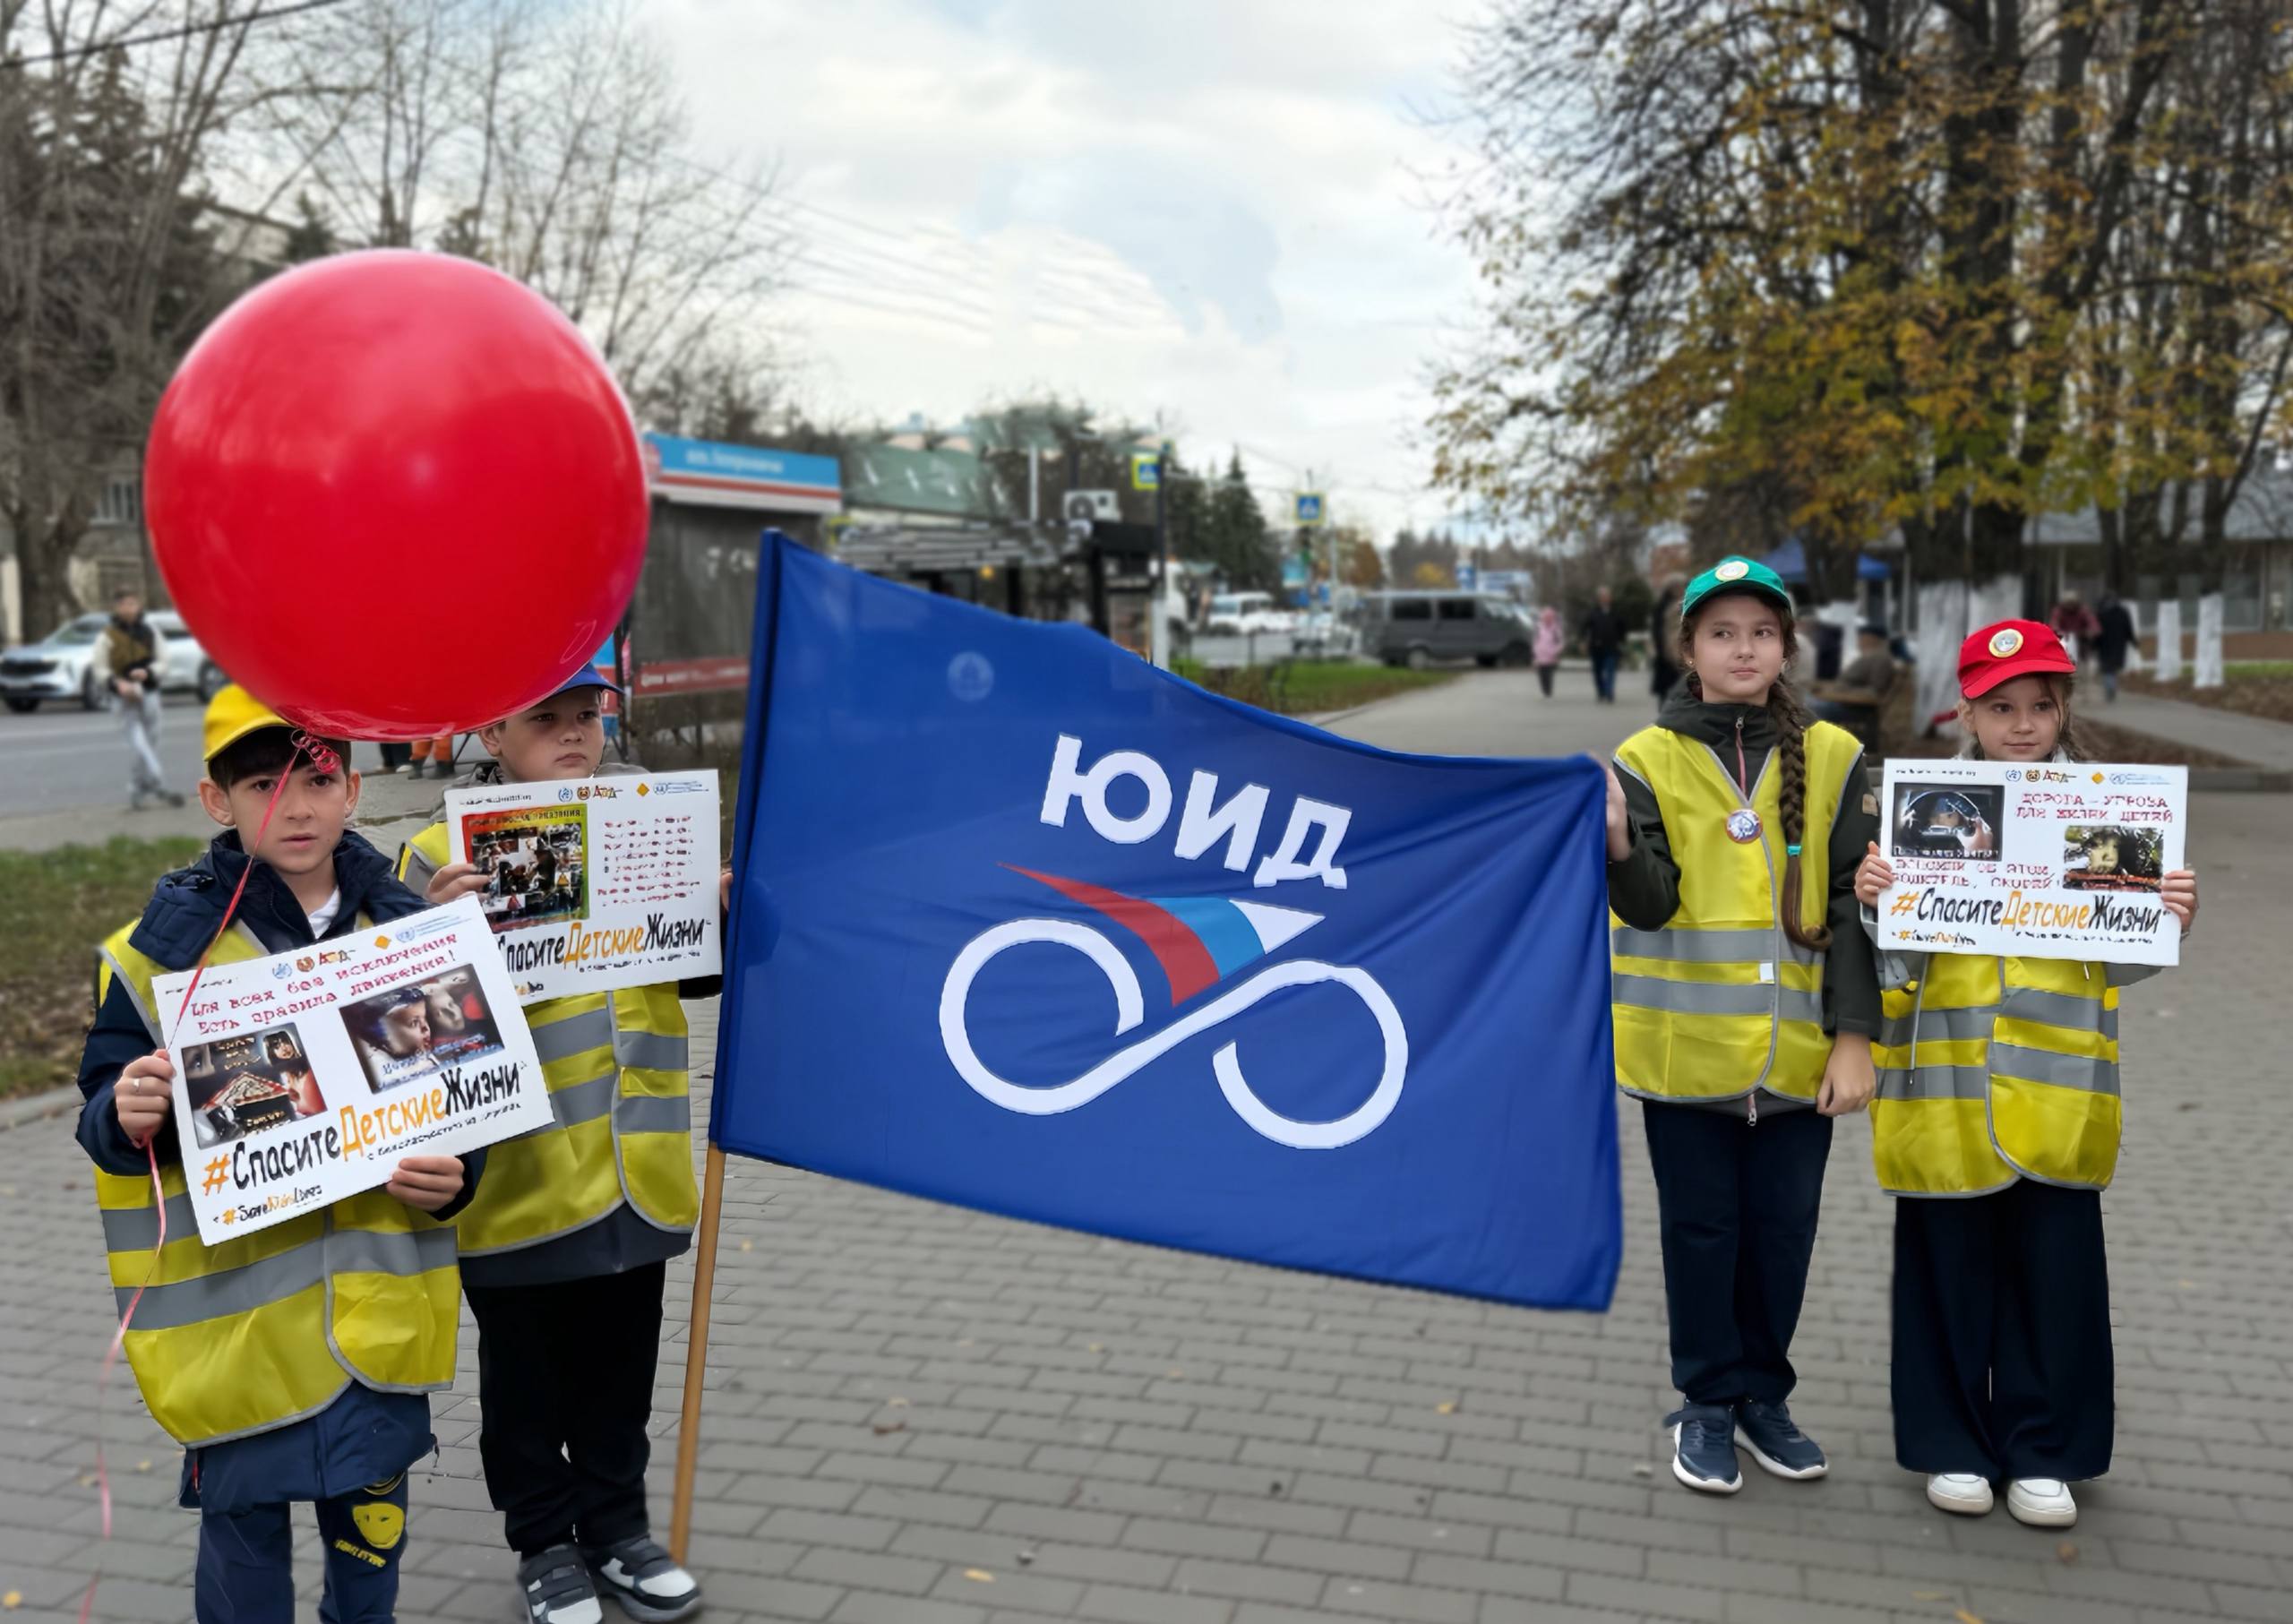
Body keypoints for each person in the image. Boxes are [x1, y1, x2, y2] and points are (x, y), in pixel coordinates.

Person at [73, 684, 484, 1624]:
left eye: (318, 774)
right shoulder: (156, 957)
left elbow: (466, 1110)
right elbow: (103, 1111)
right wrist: (122, 1109)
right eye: (264, 782)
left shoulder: (410, 935)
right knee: (244, 1559)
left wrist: (460, 1180)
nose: (295, 804)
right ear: (219, 801)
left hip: (376, 1335)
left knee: (371, 1549)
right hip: (237, 1348)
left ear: (354, 790)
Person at [1853, 620, 2196, 1530]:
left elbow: (2115, 962)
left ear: (2061, 710)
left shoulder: (2104, 813)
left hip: (2055, 1101)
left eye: (2038, 705)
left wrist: (2166, 917)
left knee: (2055, 1277)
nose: (2020, 723)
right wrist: (1876, 903)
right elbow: (1894, 968)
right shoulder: (1924, 812)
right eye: (1999, 706)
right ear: (1965, 711)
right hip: (1947, 1096)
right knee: (1946, 1273)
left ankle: (2043, 1449)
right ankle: (1954, 1443)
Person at [399, 674, 718, 1624]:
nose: (575, 732)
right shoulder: (433, 855)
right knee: (528, 1383)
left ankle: (618, 1531)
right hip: (520, 1183)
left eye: (588, 714)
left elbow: (692, 975)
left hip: (638, 1168)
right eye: (547, 718)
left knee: (622, 1371)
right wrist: (434, 934)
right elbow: (405, 1024)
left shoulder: (649, 817)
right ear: (492, 730)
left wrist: (717, 911)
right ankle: (544, 1544)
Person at [1602, 555, 1879, 1496]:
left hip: (1802, 1057)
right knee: (1702, 1232)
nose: (1743, 648)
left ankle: (1765, 1396)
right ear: (1687, 648)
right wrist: (1611, 840)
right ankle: (1707, 1401)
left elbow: (1851, 907)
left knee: (1782, 1232)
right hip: (1686, 1058)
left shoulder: (1835, 755)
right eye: (1721, 632)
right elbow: (1646, 903)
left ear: (1785, 645)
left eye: (1761, 632)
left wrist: (1853, 1038)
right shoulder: (1643, 758)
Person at [97, 589, 185, 811]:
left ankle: (138, 789)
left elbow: (164, 660)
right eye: (123, 604)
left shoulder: (149, 631)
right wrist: (116, 684)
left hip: (149, 692)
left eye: (132, 603)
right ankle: (158, 782)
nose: (128, 608)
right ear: (117, 607)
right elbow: (100, 668)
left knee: (151, 741)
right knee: (138, 743)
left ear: (138, 605)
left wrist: (149, 672)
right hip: (122, 697)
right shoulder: (107, 636)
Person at [1809, 623, 1898, 740]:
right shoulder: (1872, 655)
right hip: (1844, 702)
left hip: (1854, 708)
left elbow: (1874, 692)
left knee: (1811, 707)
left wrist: (1838, 694)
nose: (1859, 641)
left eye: (1861, 638)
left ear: (1871, 638)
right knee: (1806, 701)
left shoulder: (1881, 658)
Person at [1584, 585, 1625, 703]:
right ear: (1599, 598)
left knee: (1610, 670)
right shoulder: (1593, 612)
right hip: (1596, 647)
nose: (1606, 599)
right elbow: (1585, 627)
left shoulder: (1615, 612)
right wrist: (1584, 641)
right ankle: (1601, 691)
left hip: (1611, 646)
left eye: (1607, 596)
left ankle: (1609, 692)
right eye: (1603, 597)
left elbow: (1622, 627)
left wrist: (1620, 640)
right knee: (1597, 671)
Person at [1649, 574, 1686, 705]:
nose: (1679, 589)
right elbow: (1656, 628)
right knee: (1666, 683)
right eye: (1676, 587)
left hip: (1682, 648)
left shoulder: (1687, 602)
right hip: (1665, 650)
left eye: (1680, 586)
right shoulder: (1662, 606)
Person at [2094, 591, 2136, 702]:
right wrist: (2133, 641)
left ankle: (2110, 687)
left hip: (2104, 645)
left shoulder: (2101, 613)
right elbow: (2128, 628)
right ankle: (2111, 686)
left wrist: (2093, 645)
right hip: (2119, 644)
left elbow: (2097, 632)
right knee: (2112, 669)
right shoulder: (2123, 612)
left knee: (2107, 669)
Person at [2048, 591, 2100, 666]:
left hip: (2081, 642)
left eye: (2072, 603)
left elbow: (2093, 623)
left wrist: (2090, 632)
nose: (2070, 606)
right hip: (2064, 641)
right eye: (2069, 603)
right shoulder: (2059, 611)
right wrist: (2058, 632)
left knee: (2085, 661)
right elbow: (2054, 624)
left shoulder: (2083, 611)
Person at [1532, 605, 1565, 698]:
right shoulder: (1538, 627)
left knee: (1549, 674)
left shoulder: (1556, 629)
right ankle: (1544, 689)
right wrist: (1535, 653)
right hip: (1540, 656)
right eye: (1546, 617)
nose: (1547, 619)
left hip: (1551, 656)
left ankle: (1549, 690)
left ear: (1553, 618)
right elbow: (1535, 640)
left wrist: (1556, 651)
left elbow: (1560, 642)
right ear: (1542, 617)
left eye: (1550, 617)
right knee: (1541, 675)